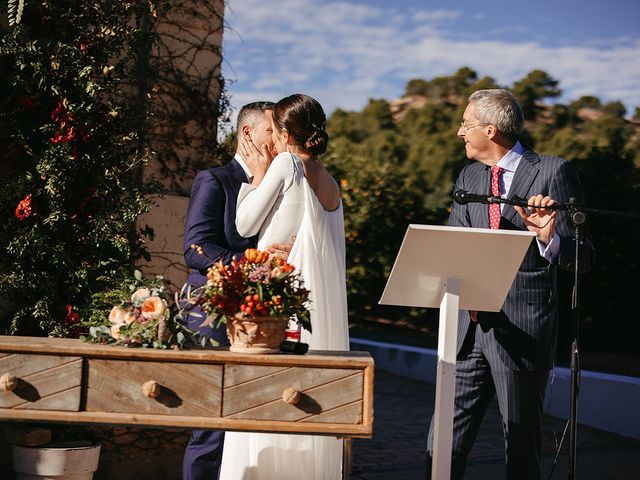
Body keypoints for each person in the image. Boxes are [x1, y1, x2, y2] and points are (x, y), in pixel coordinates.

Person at [426, 89, 595, 479]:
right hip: (467, 328)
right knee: (441, 445)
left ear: (491, 129)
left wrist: (549, 237)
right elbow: (457, 243)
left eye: (466, 124)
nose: (459, 132)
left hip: (522, 329)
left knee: (520, 448)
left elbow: (583, 257)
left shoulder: (553, 171)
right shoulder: (469, 176)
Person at [219, 93, 350, 480]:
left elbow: (243, 226)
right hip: (314, 310)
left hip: (278, 309)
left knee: (268, 392)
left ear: (284, 133)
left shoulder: (286, 164)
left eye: (273, 129)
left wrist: (259, 175)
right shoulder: (327, 180)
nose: (268, 140)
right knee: (301, 397)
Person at [181, 101, 275, 480]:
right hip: (213, 315)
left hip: (260, 321)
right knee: (211, 432)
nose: (280, 139)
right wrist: (257, 266)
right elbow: (195, 247)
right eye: (273, 131)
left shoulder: (278, 180)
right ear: (248, 133)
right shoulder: (215, 179)